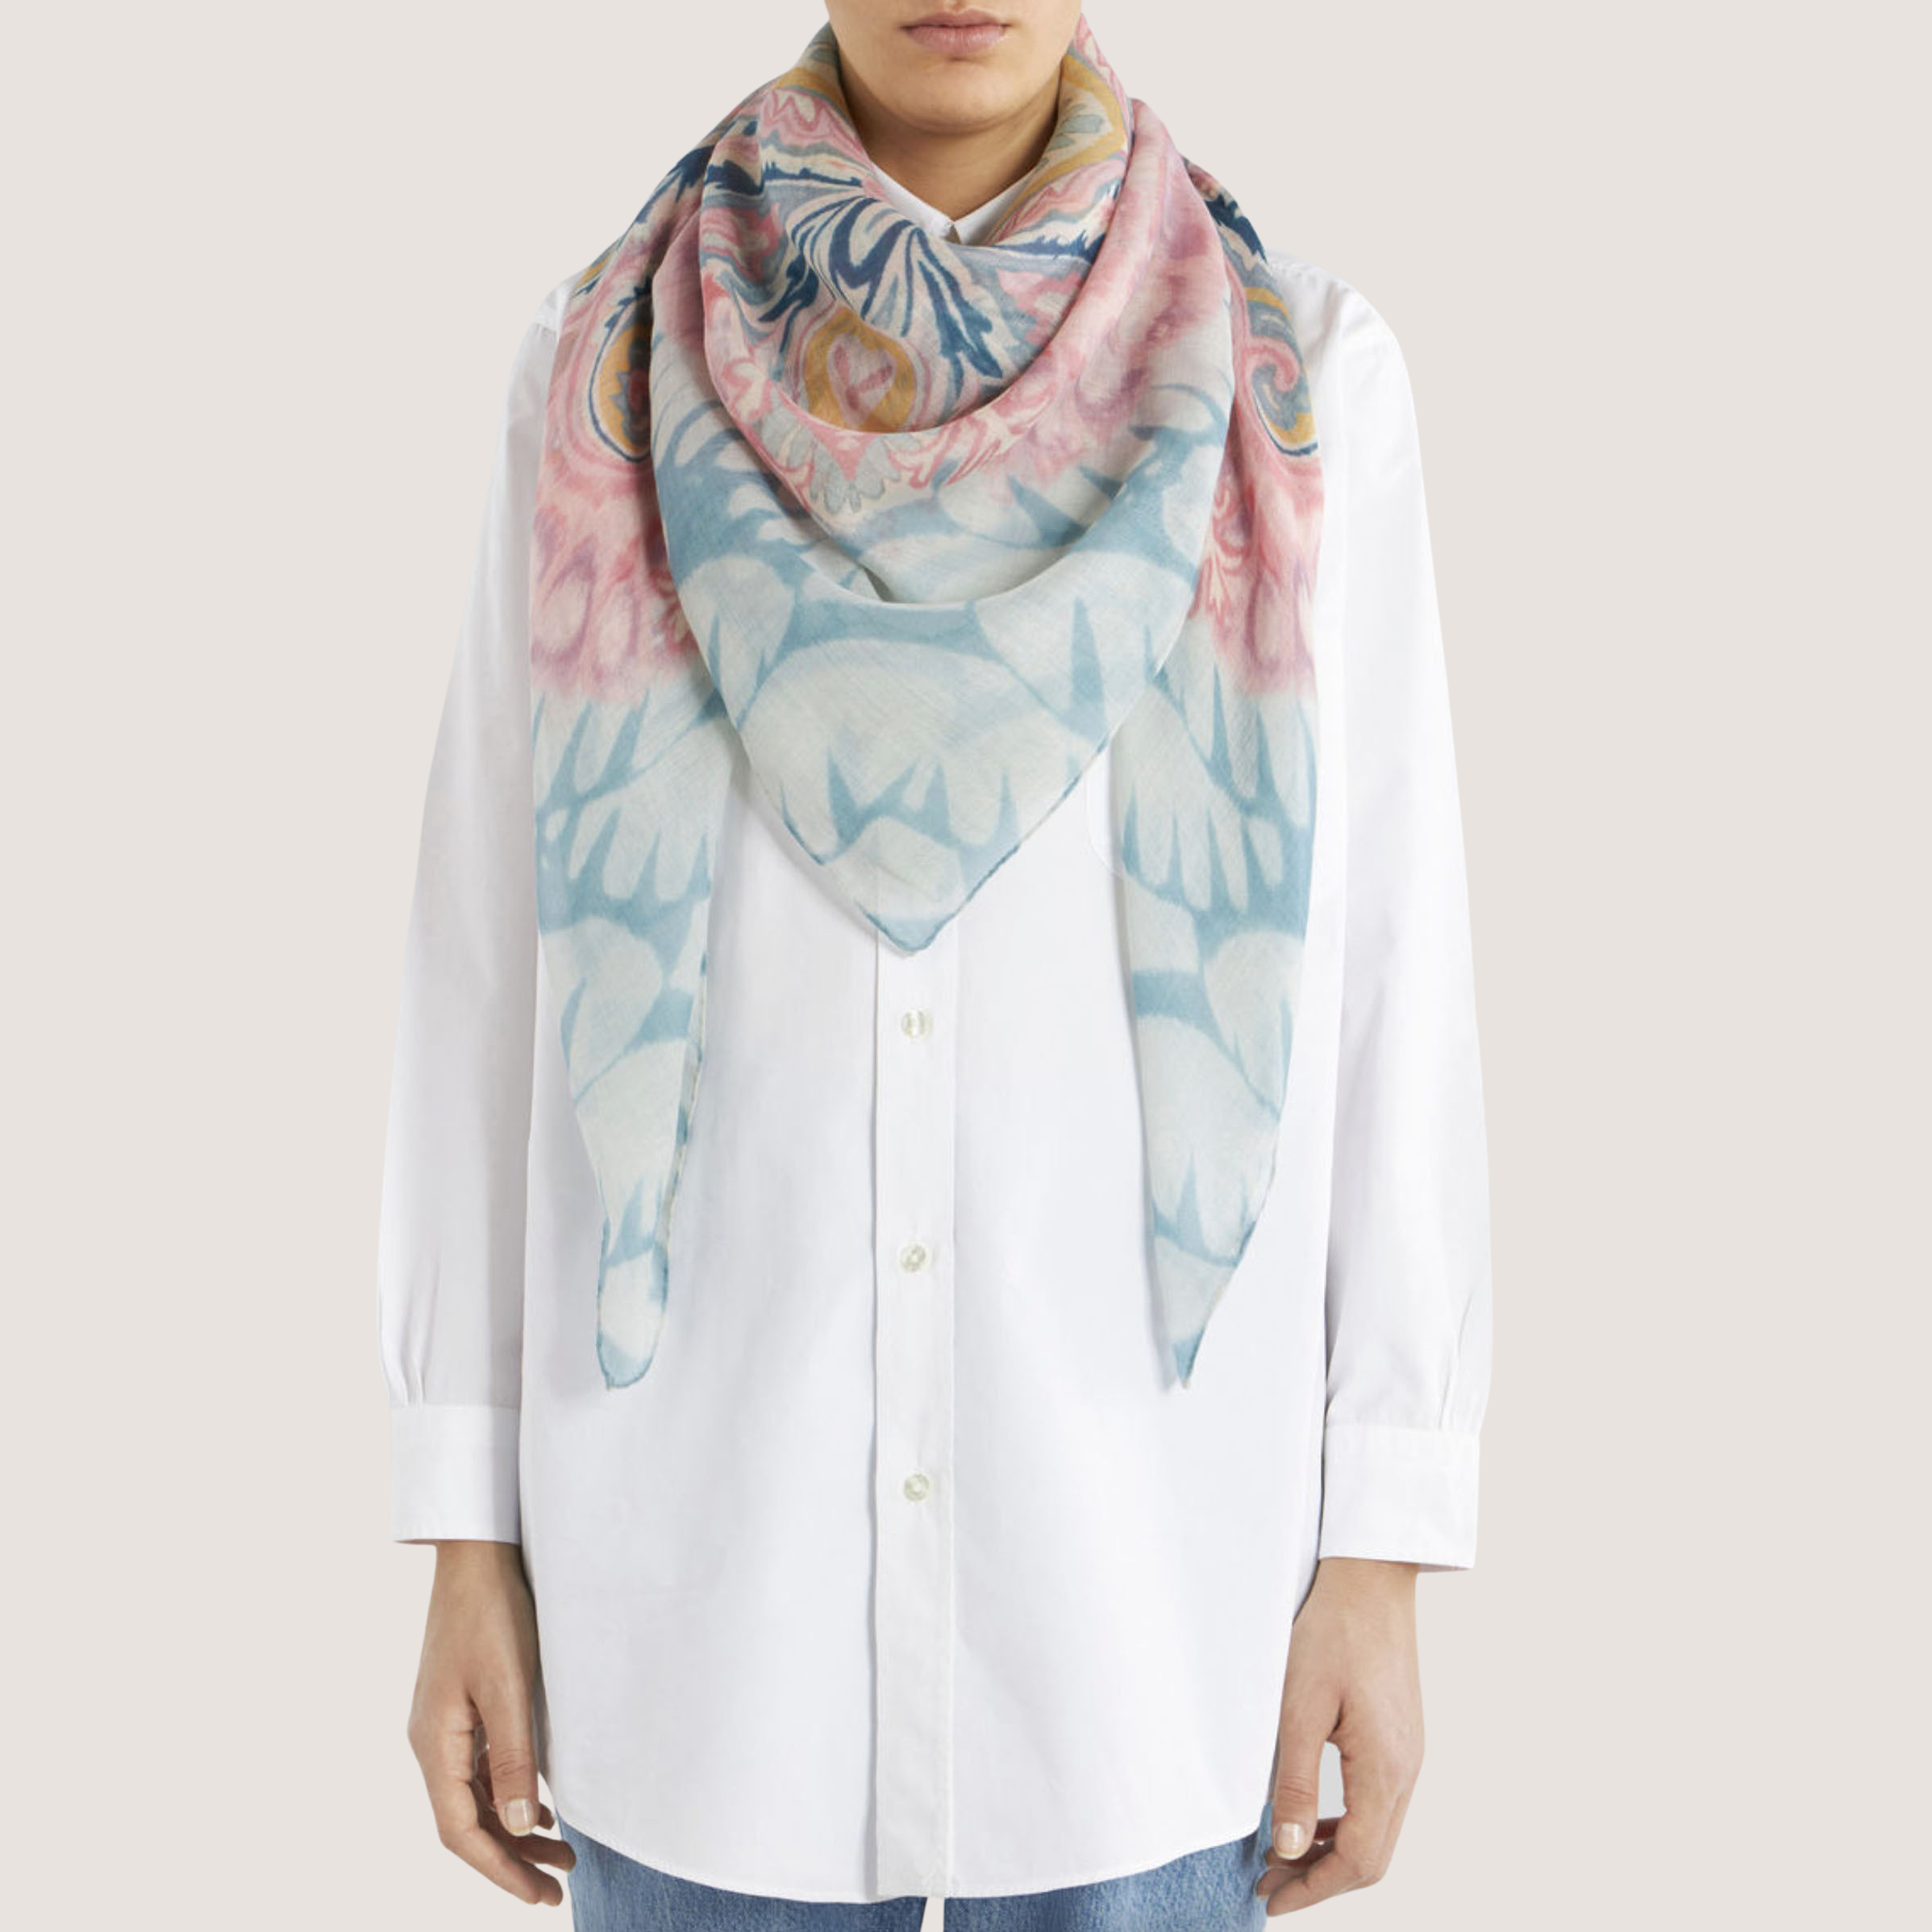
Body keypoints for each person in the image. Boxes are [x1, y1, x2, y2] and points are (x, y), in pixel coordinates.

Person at [377, 2, 1492, 1924]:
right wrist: (461, 1523)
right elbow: (487, 964)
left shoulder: (1298, 376)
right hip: (696, 1628)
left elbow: (1391, 969)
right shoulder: (601, 365)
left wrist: (1381, 1545)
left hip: (1144, 1620)